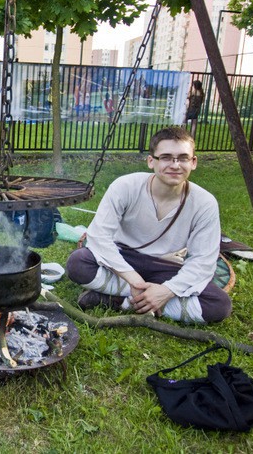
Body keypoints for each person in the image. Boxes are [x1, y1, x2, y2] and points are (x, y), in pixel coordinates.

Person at [65, 127, 231, 324]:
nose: (175, 165)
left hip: (166, 266)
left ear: (193, 162)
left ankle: (120, 301)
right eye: (166, 157)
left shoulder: (204, 202)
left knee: (219, 305)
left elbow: (203, 261)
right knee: (78, 263)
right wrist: (134, 281)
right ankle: (144, 298)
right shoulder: (125, 186)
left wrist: (166, 291)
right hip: (124, 259)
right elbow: (99, 237)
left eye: (183, 158)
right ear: (151, 161)